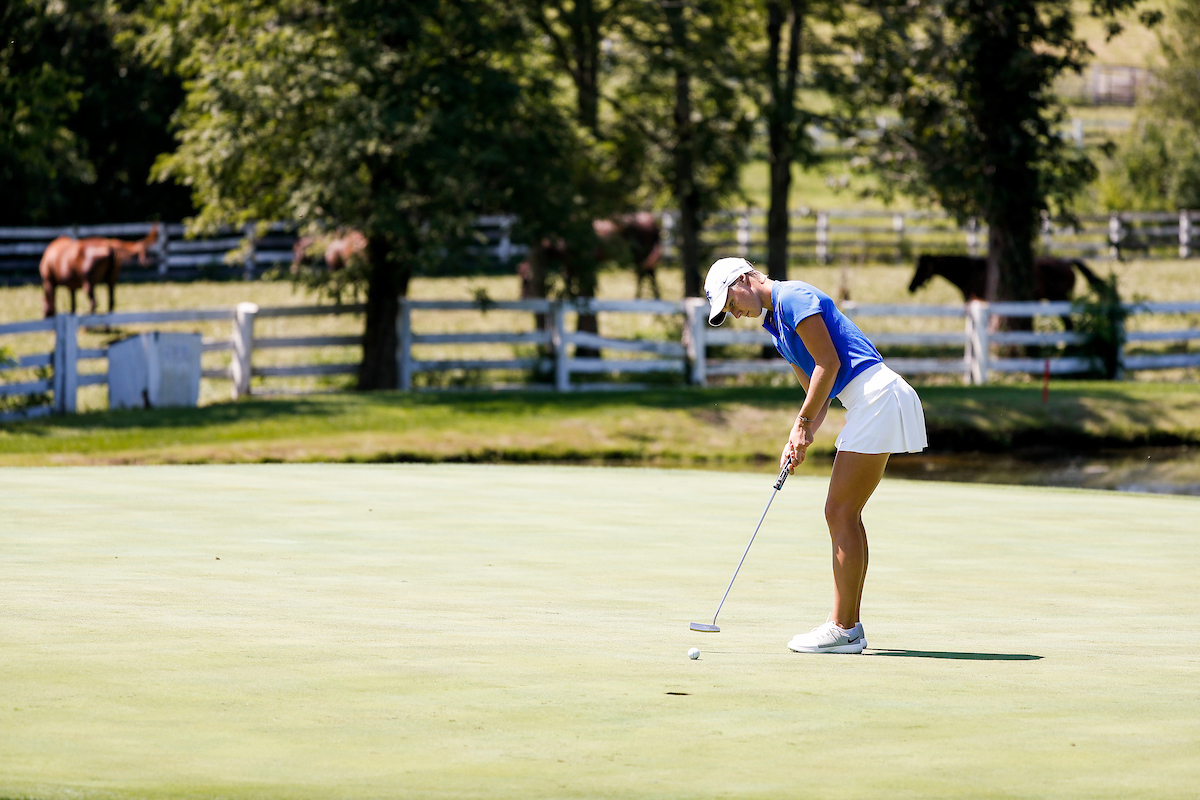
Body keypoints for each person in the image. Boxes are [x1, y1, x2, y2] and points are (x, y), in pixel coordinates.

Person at [704, 257, 928, 654]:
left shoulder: (793, 296)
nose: (734, 312)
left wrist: (804, 422)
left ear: (743, 278)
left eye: (731, 301)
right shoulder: (776, 328)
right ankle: (849, 626)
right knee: (845, 513)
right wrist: (799, 433)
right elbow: (818, 393)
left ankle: (842, 627)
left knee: (838, 511)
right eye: (727, 311)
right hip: (868, 401)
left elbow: (830, 363)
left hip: (877, 394)